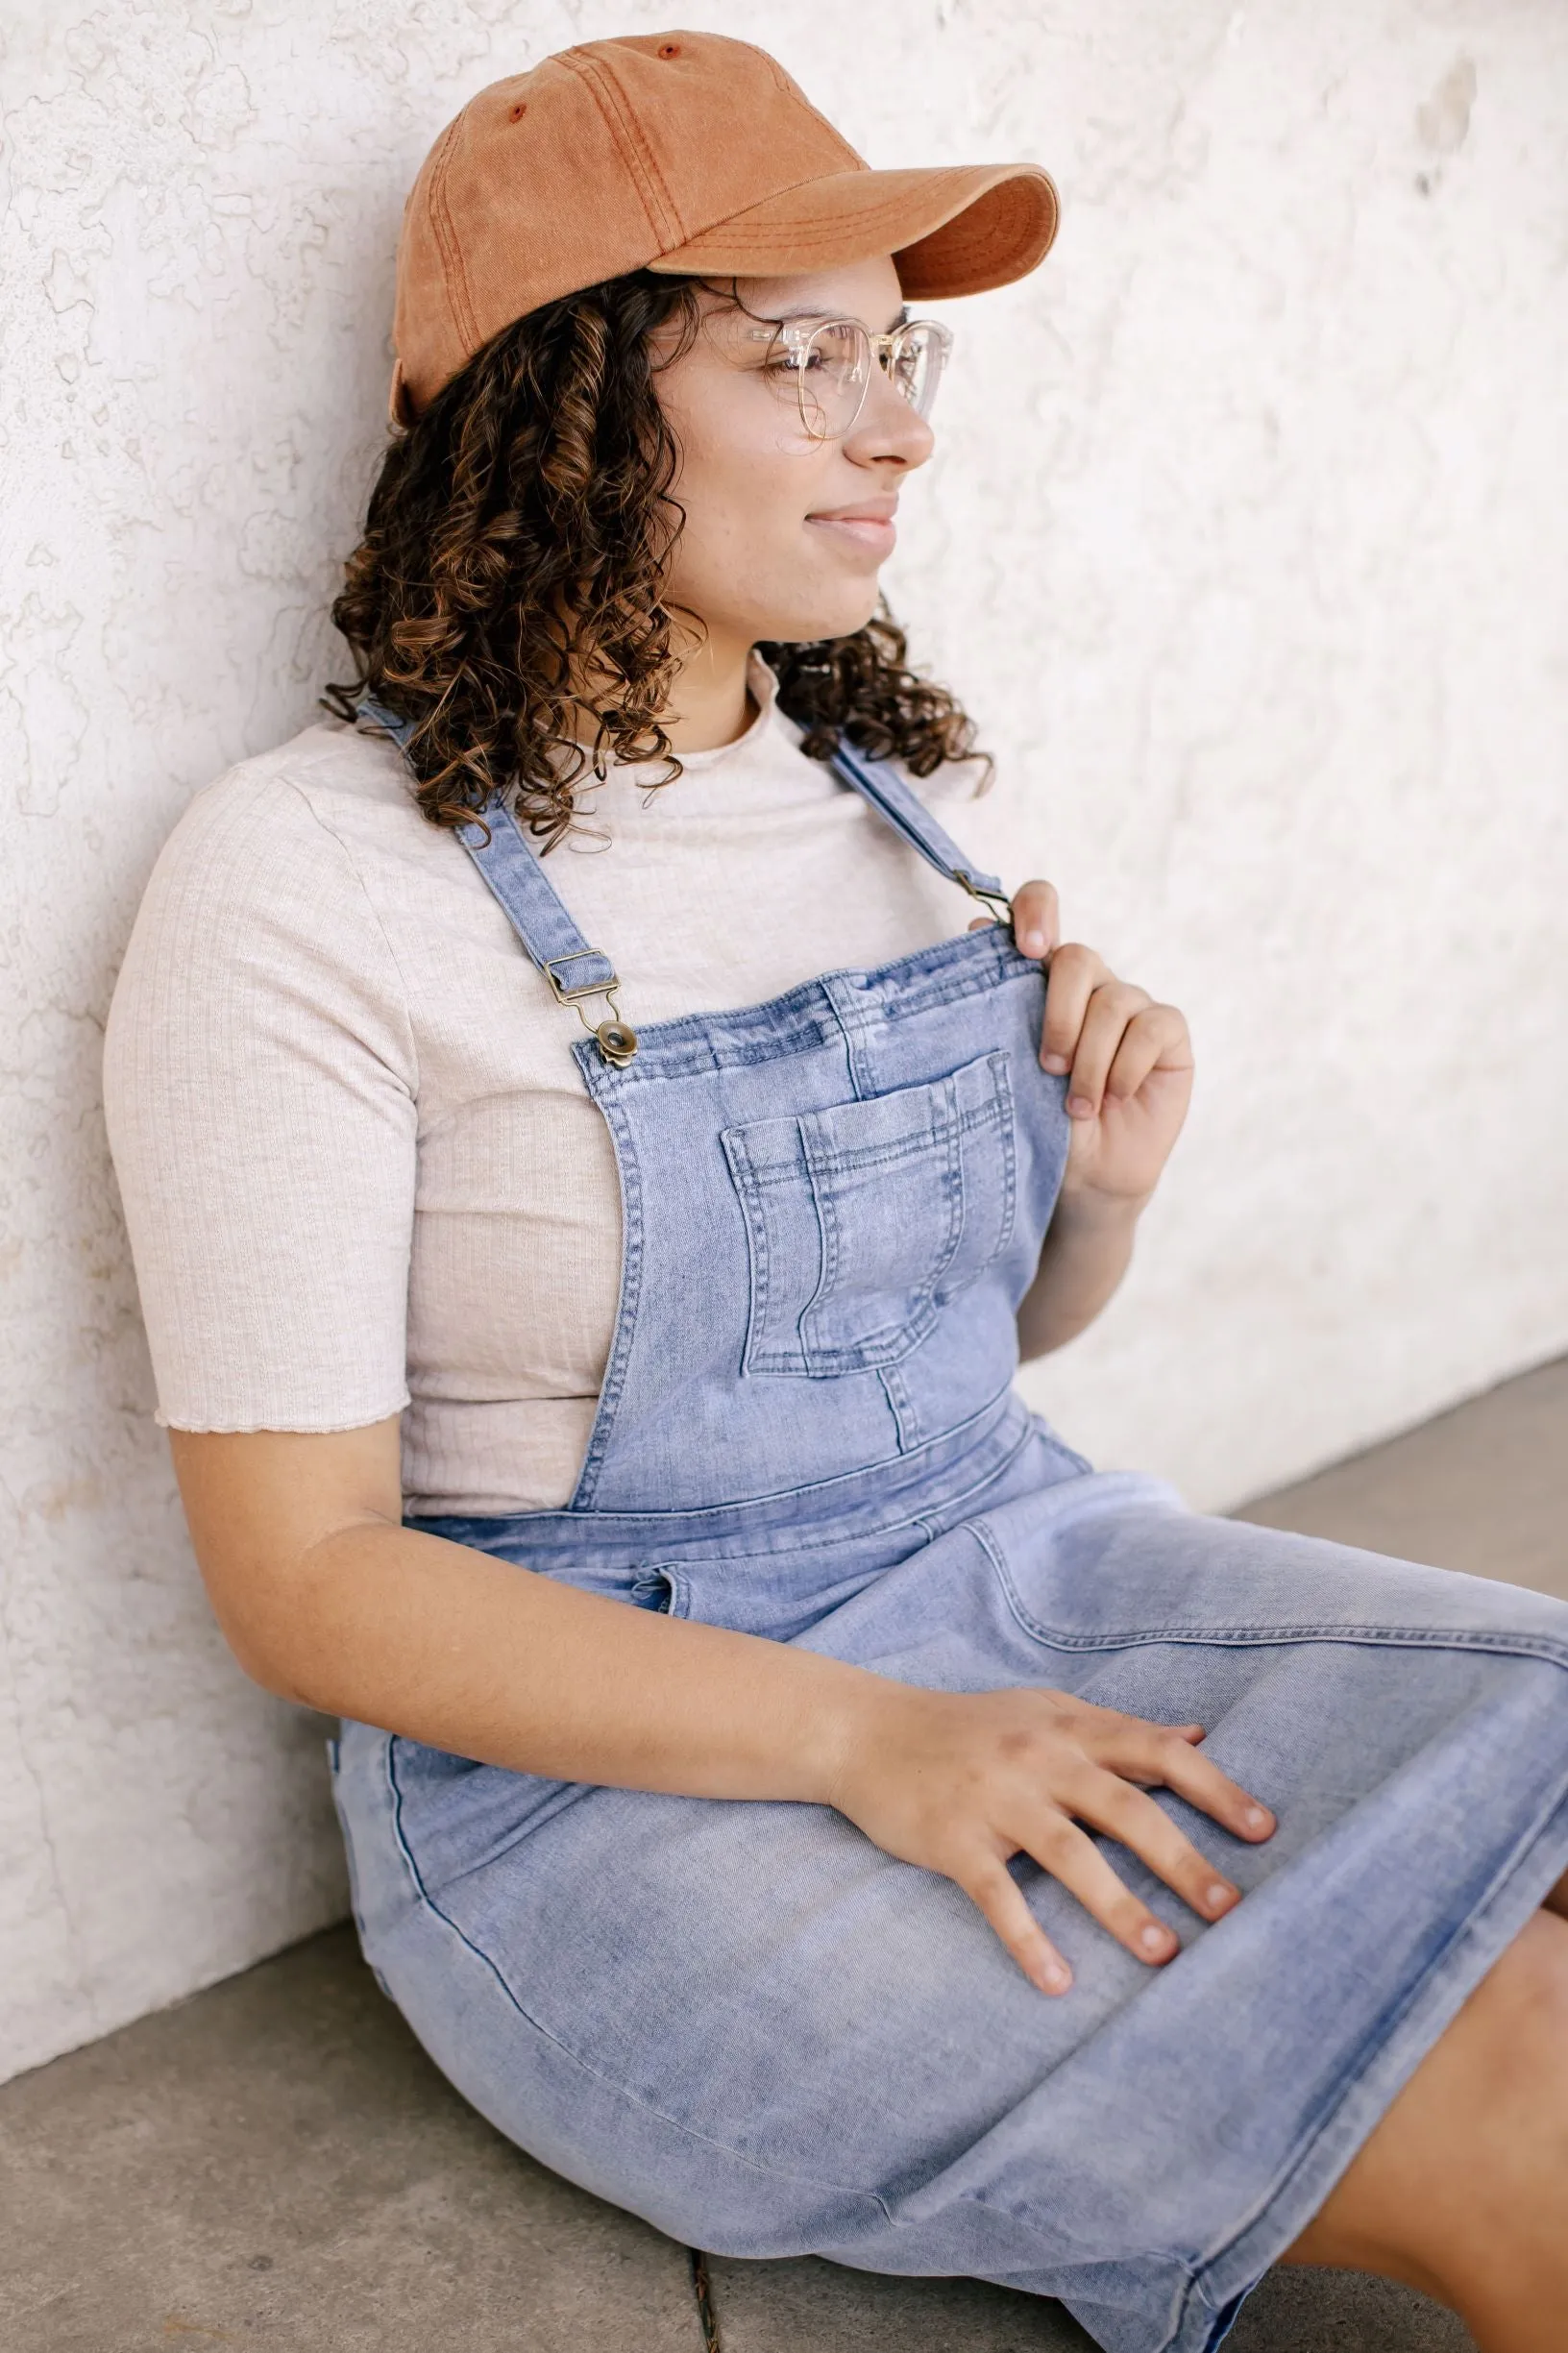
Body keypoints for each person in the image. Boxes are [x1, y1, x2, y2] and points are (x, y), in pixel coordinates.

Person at [103, 33, 1568, 2353]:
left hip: (1027, 1562)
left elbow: (936, 1374)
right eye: (802, 355)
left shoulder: (870, 799)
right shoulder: (300, 885)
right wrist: (864, 1742)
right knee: (1524, 2105)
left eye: (903, 352)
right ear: (561, 403)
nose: (895, 427)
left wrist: (1096, 1198)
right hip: (598, 1782)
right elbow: (307, 1583)